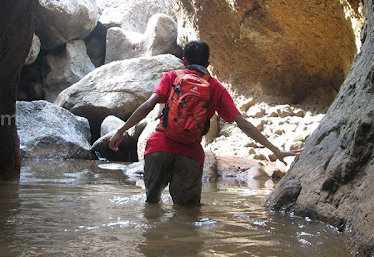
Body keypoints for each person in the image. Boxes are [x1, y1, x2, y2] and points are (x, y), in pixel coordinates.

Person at [109, 40, 301, 205]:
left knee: (151, 204)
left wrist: (121, 130)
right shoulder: (216, 88)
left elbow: (148, 105)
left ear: (184, 61)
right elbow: (243, 123)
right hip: (190, 155)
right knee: (187, 214)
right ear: (208, 63)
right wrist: (275, 150)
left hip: (159, 147)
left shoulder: (172, 77)